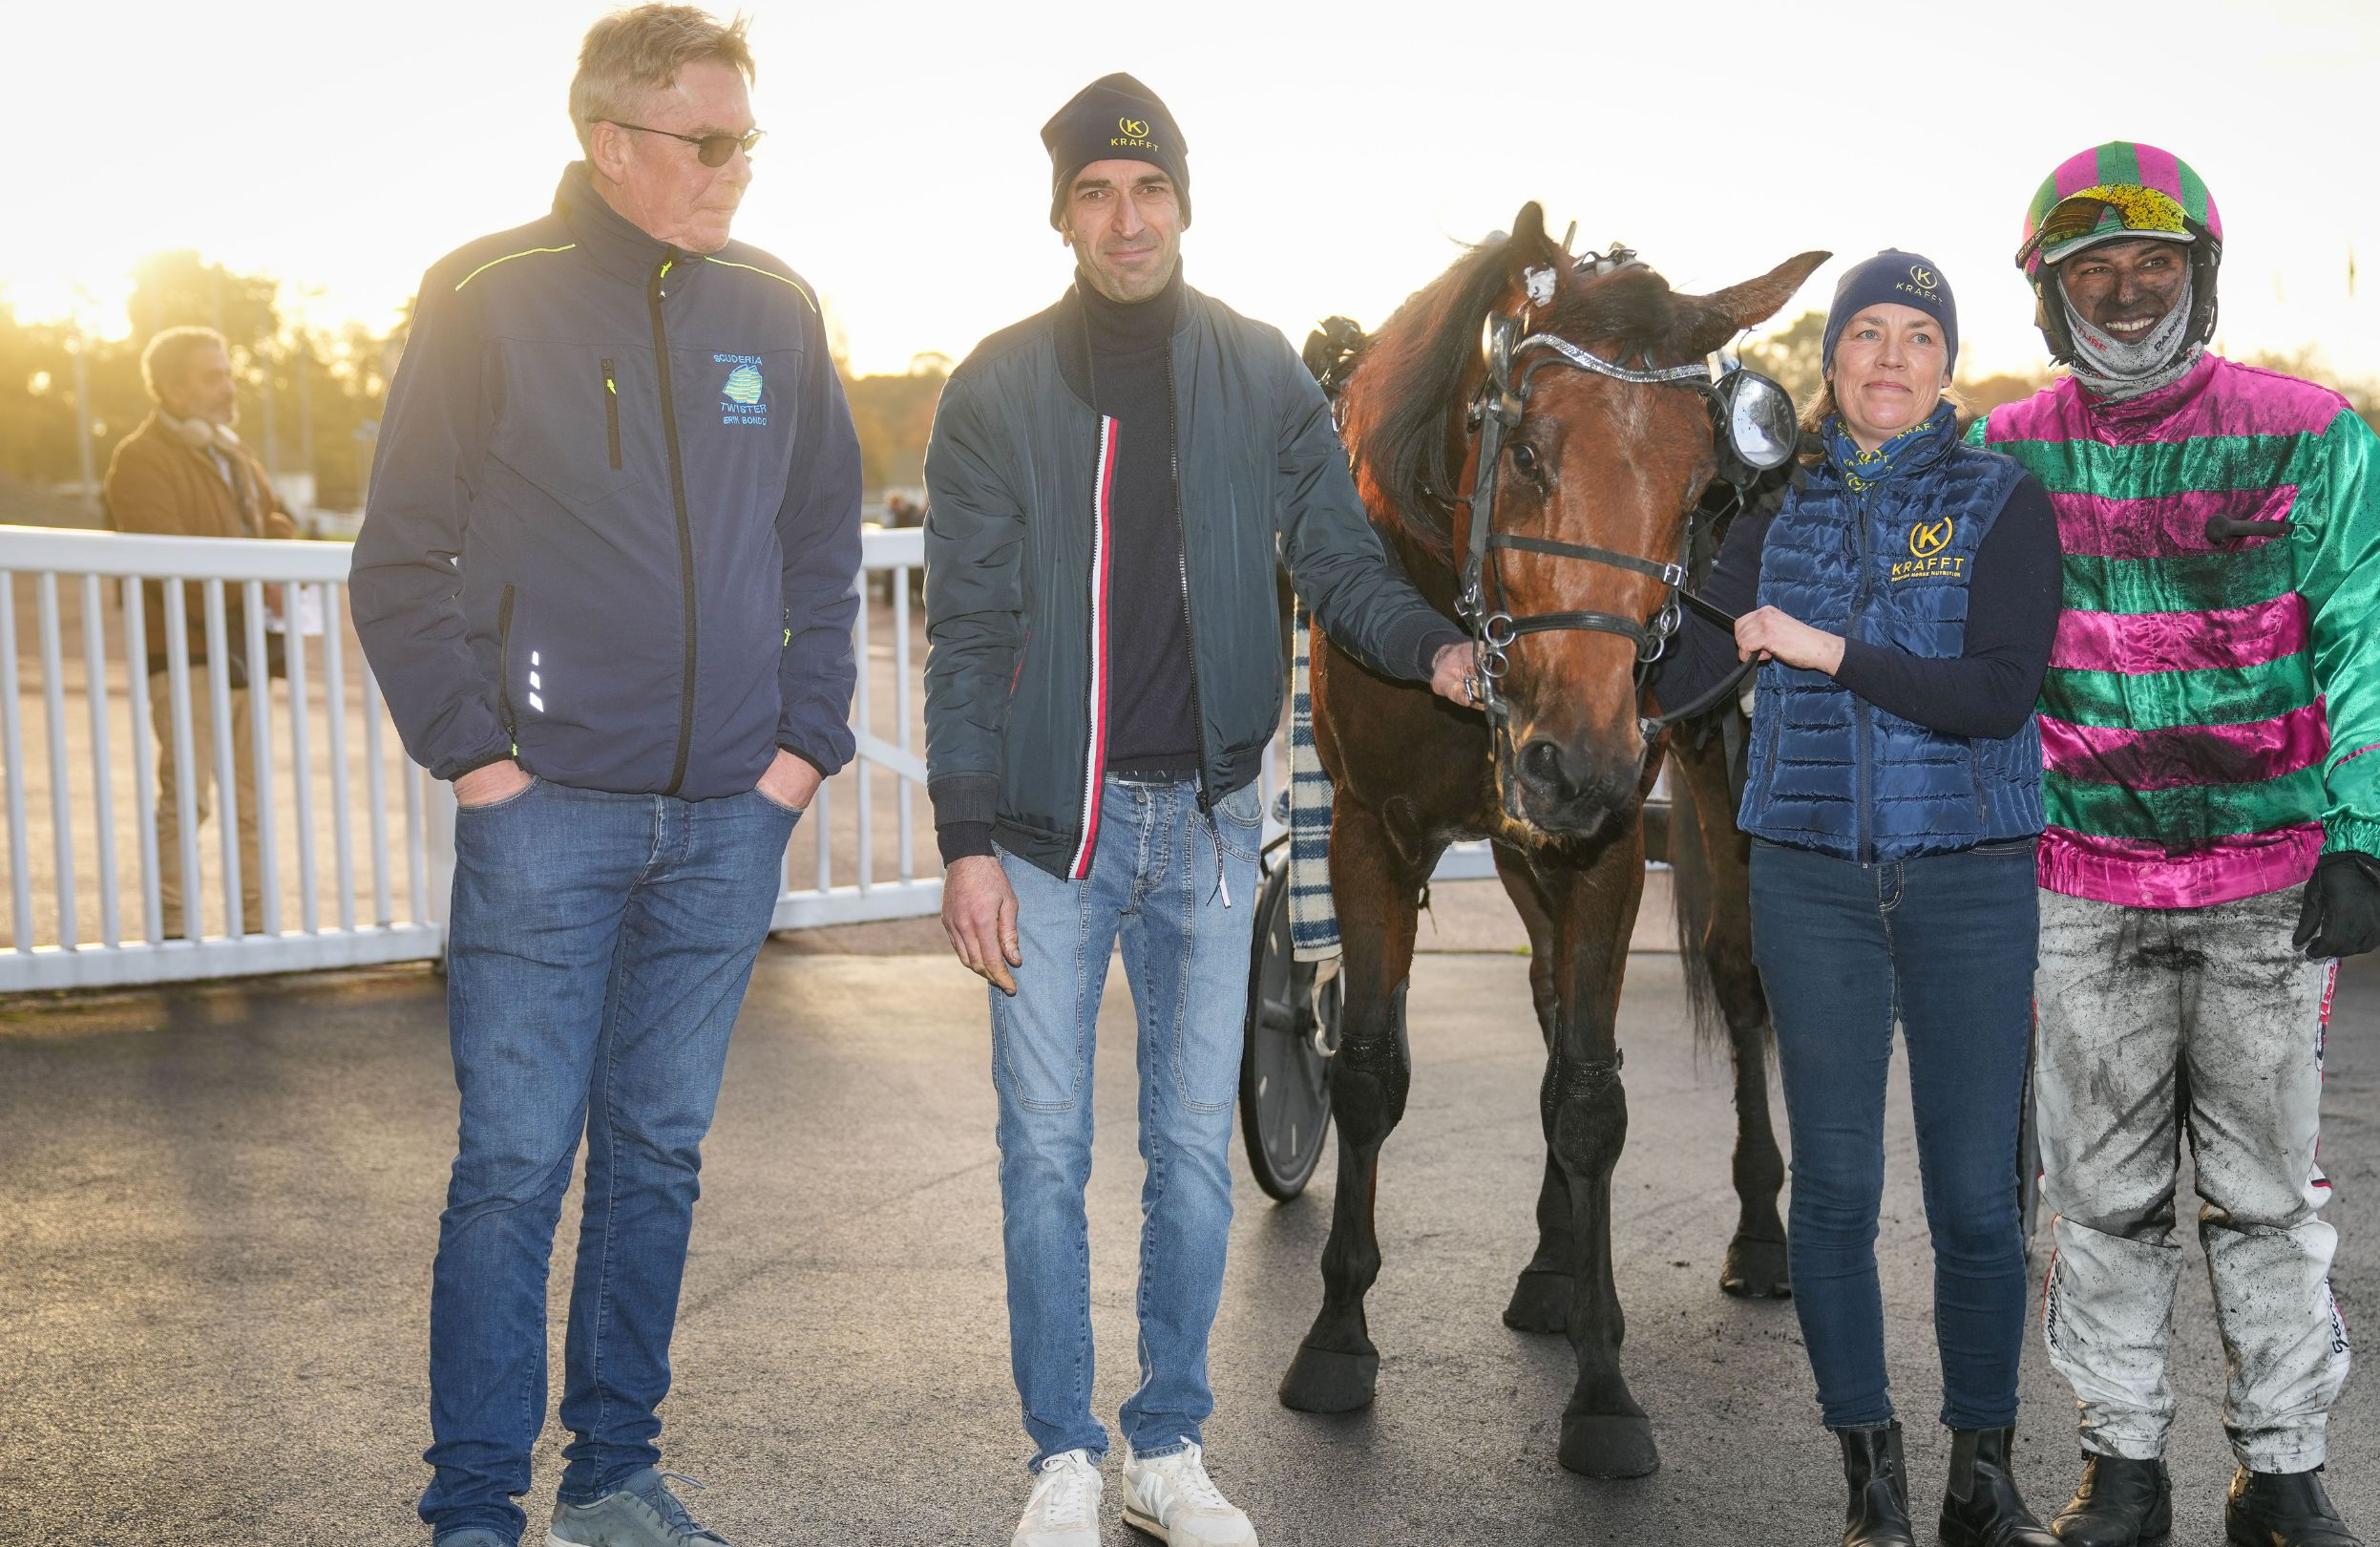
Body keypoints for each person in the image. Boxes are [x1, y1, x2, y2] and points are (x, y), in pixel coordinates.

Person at [922, 73, 1475, 1547]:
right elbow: (966, 634)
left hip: (1217, 829)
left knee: (1185, 1151)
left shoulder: (1259, 373)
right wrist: (964, 841)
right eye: (1096, 196)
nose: (1126, 218)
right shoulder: (993, 388)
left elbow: (1341, 565)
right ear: (1064, 217)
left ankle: (1165, 1446)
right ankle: (1060, 1453)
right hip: (1053, 836)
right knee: (1043, 1152)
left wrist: (1437, 646)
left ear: (1183, 201)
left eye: (1148, 189)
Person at [349, 8, 861, 1544]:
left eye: (747, 140)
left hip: (729, 820)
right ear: (609, 139)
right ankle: (475, 1508)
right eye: (709, 143)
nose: (737, 171)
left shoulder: (776, 306)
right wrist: (481, 762)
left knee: (661, 1158)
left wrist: (799, 748)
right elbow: (401, 558)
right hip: (544, 812)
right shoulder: (485, 293)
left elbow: (822, 546)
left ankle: (614, 1479)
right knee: (511, 1165)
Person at [1969, 142, 2380, 1547]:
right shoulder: (1999, 453)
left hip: (2270, 887)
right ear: (2050, 293)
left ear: (2199, 274)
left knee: (2269, 1198)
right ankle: (2123, 1470)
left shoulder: (2313, 432)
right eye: (2094, 271)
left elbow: (2370, 632)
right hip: (2079, 885)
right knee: (2100, 1199)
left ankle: (2282, 1474)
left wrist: (2364, 832)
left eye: (2154, 265)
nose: (2125, 292)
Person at [1656, 251, 2063, 1547]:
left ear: (1948, 364)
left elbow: (2000, 692)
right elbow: (1672, 677)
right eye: (1865, 336)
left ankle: (1981, 1478)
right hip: (1811, 879)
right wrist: (1666, 526)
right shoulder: (1774, 515)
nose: (1890, 360)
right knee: (1829, 1191)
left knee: (1971, 1199)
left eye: (1917, 339)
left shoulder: (2003, 500)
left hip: (1973, 880)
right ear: (1831, 361)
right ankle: (1869, 1481)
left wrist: (1826, 647)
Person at [103, 326, 296, 940]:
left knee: (250, 803)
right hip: (184, 655)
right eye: (213, 376)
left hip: (243, 652)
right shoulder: (139, 458)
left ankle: (258, 934)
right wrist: (255, 576)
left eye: (228, 372)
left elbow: (267, 527)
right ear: (170, 387)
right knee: (188, 800)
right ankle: (176, 937)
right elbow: (169, 563)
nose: (228, 386)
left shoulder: (234, 453)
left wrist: (277, 539)